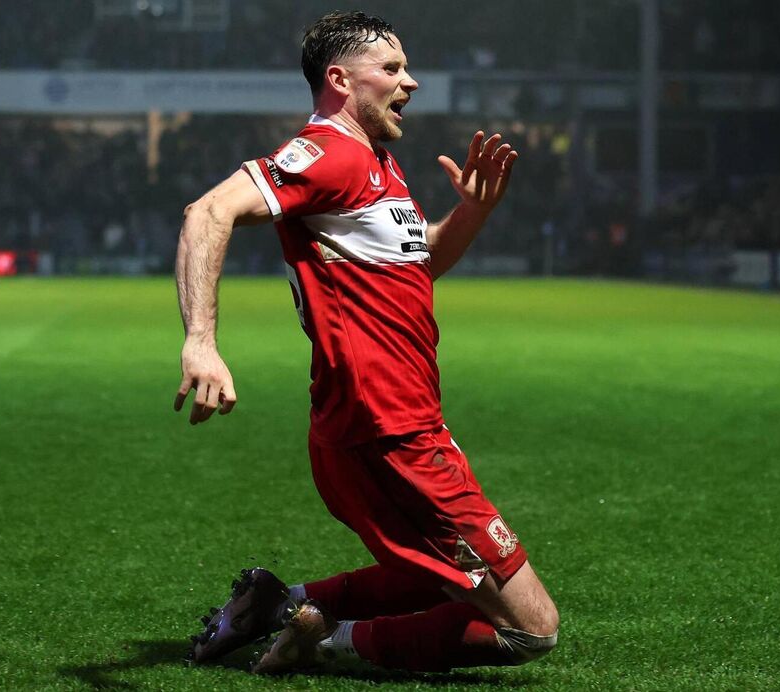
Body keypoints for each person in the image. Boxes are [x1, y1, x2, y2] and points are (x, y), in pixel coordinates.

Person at [173, 11, 558, 675]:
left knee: (433, 574)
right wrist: (200, 341)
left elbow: (421, 263)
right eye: (392, 68)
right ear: (340, 79)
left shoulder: (380, 163)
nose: (410, 82)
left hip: (397, 422)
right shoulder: (328, 153)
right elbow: (208, 211)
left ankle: (280, 605)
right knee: (532, 629)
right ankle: (322, 640)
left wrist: (472, 211)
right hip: (387, 431)